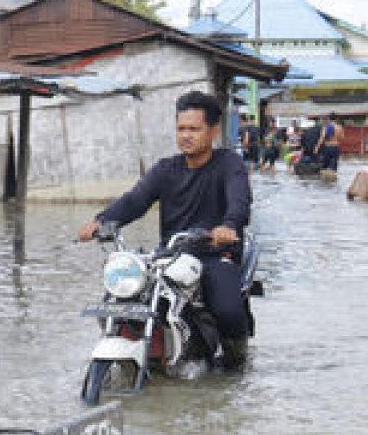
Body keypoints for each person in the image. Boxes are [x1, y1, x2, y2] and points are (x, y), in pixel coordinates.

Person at [78, 89, 252, 369]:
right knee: (120, 297)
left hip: (214, 253)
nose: (186, 135)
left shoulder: (229, 164)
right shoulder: (165, 169)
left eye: (194, 129)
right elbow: (135, 201)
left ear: (213, 131)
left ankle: (236, 360)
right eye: (181, 128)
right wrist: (102, 222)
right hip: (171, 255)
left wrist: (228, 226)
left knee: (227, 310)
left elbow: (239, 201)